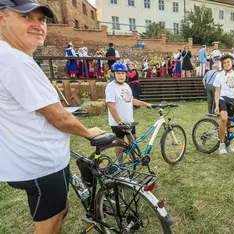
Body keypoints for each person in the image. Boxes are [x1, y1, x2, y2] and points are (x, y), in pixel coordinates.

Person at [0, 2, 105, 233]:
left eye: (43, 20)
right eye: (27, 17)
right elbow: (58, 117)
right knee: (49, 225)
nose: (38, 25)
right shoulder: (15, 62)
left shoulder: (9, 56)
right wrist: (88, 132)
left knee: (61, 208)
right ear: (2, 19)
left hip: (29, 159)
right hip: (41, 165)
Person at [105, 62, 152, 158]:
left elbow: (131, 100)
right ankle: (120, 165)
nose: (121, 75)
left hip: (129, 120)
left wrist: (145, 104)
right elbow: (111, 105)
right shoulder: (111, 87)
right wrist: (119, 121)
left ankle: (132, 159)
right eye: (118, 73)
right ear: (114, 74)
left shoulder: (126, 86)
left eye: (123, 73)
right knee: (119, 144)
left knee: (133, 141)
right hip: (117, 123)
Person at [213, 54, 234, 155]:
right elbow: (217, 91)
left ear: (232, 62)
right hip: (222, 99)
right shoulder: (219, 75)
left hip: (232, 101)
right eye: (224, 63)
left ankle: (228, 144)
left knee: (229, 124)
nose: (226, 64)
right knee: (224, 119)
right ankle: (221, 144)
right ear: (222, 64)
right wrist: (216, 106)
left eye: (228, 62)